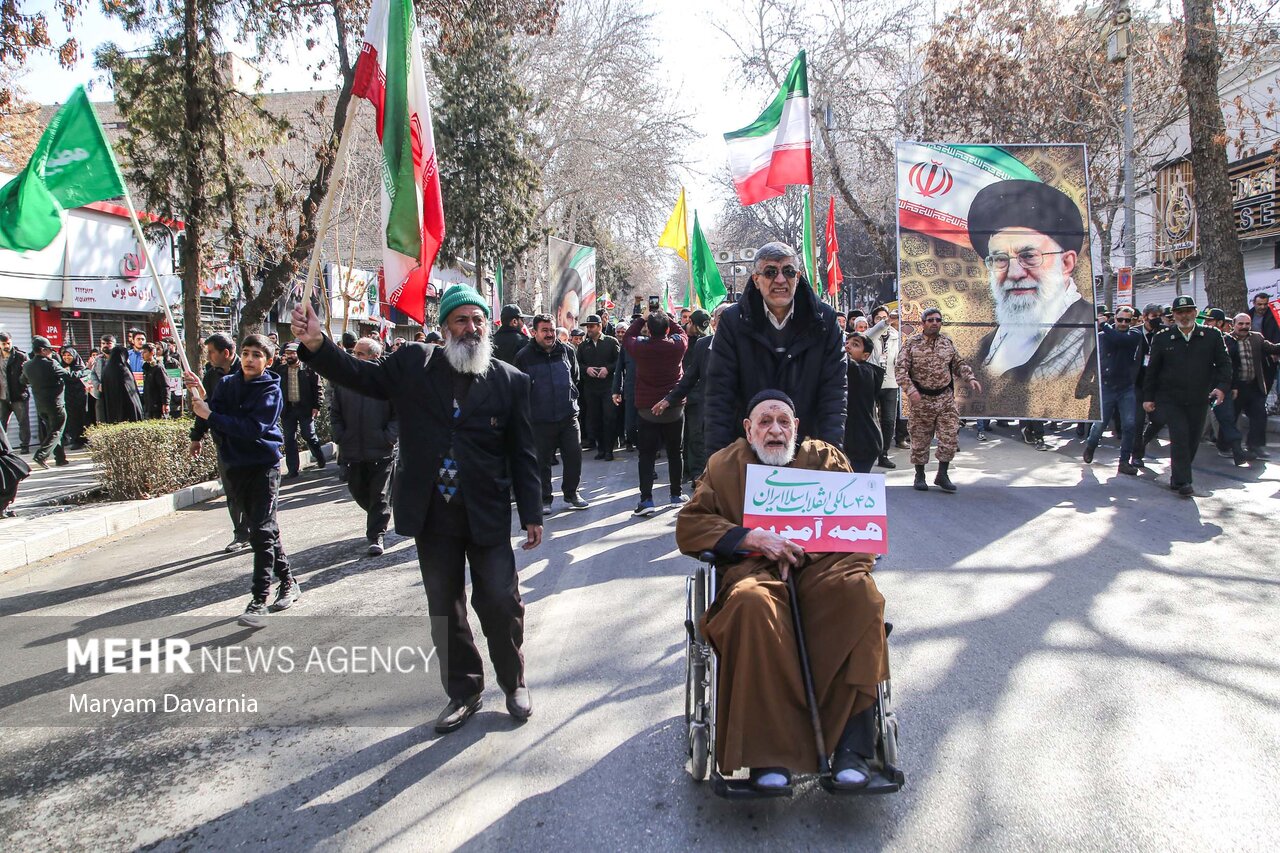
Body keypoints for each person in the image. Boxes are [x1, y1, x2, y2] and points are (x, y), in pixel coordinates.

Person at [292, 283, 542, 733]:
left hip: (484, 510)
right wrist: (317, 345)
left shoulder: (511, 380)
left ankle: (514, 682)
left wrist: (532, 513)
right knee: (445, 608)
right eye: (462, 320)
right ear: (443, 326)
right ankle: (463, 691)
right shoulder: (414, 364)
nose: (472, 328)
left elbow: (523, 452)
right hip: (433, 512)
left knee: (502, 601)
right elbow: (361, 377)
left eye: (478, 320)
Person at [675, 390, 889, 791]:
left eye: (783, 421)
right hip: (755, 568)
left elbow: (862, 523)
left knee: (858, 595)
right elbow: (691, 525)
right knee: (751, 604)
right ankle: (767, 756)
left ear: (796, 427)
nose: (775, 430)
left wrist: (835, 552)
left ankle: (851, 746)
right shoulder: (725, 466)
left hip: (823, 565)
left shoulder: (825, 459)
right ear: (748, 429)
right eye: (765, 422)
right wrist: (751, 537)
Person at [183, 335, 299, 627]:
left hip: (264, 466)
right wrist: (199, 398)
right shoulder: (226, 384)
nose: (249, 359)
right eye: (246, 353)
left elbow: (252, 429)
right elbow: (212, 412)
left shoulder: (271, 390)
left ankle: (258, 599)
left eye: (257, 354)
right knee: (266, 529)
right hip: (236, 465)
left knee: (260, 530)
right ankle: (289, 581)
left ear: (268, 361)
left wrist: (210, 413)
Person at [705, 241, 846, 455]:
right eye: (770, 272)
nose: (780, 280)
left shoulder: (824, 320)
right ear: (756, 279)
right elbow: (719, 394)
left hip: (807, 447)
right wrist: (719, 460)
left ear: (798, 277)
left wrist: (830, 452)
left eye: (788, 272)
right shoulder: (733, 322)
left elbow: (834, 392)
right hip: (749, 447)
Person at [967, 180, 1096, 389]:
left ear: (1066, 263)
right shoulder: (986, 345)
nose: (1015, 273)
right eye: (1000, 259)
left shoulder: (1087, 335)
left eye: (1028, 256)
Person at [1141, 296, 1232, 496]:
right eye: (1180, 312)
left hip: (1200, 398)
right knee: (1180, 438)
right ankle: (1184, 482)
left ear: (1195, 312)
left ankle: (1177, 476)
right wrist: (1148, 397)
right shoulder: (1163, 337)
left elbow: (1225, 364)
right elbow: (1152, 371)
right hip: (1171, 399)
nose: (1184, 316)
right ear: (1173, 315)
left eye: (1188, 311)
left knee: (1192, 440)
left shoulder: (1212, 335)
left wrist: (1222, 388)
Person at [895, 307, 982, 493]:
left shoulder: (946, 343)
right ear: (923, 323)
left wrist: (970, 378)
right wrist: (910, 391)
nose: (935, 323)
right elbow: (900, 370)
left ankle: (942, 474)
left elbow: (958, 363)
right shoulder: (911, 344)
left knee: (950, 436)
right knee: (919, 440)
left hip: (945, 399)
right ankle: (920, 475)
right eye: (931, 320)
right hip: (922, 400)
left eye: (938, 320)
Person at [330, 337, 399, 555]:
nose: (355, 357)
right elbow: (335, 412)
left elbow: (399, 414)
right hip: (352, 450)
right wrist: (340, 435)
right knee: (359, 491)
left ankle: (376, 534)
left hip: (381, 449)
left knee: (379, 495)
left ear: (375, 356)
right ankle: (378, 516)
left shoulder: (388, 382)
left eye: (361, 354)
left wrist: (388, 436)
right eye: (354, 353)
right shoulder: (345, 380)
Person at [515, 313, 588, 511]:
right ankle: (544, 499)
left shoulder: (567, 351)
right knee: (541, 462)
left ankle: (571, 493)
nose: (549, 334)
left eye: (552, 330)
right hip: (539, 419)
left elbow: (575, 377)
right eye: (544, 330)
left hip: (568, 416)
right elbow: (519, 390)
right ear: (534, 332)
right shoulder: (524, 356)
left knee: (574, 456)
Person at [190, 333, 250, 551]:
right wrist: (197, 437)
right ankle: (241, 534)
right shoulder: (211, 376)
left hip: (248, 442)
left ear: (226, 353)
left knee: (254, 490)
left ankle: (262, 530)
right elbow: (206, 408)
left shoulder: (248, 371)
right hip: (223, 442)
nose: (209, 357)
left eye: (211, 352)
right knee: (232, 490)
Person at [627, 308, 688, 515]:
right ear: (668, 328)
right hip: (674, 409)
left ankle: (646, 500)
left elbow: (629, 336)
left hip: (647, 410)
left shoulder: (641, 348)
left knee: (646, 456)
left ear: (649, 331)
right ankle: (676, 494)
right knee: (674, 453)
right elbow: (683, 332)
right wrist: (668, 317)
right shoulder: (678, 346)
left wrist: (642, 319)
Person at [1082, 306, 1141, 474]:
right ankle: (1091, 445)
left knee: (1129, 425)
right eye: (1120, 319)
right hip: (1106, 386)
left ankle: (1124, 461)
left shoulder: (1134, 335)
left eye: (1127, 320)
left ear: (1132, 321)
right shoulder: (1102, 336)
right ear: (1115, 318)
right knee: (1100, 425)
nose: (1123, 323)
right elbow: (1092, 357)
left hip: (1126, 387)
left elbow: (1120, 340)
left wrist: (1104, 325)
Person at [662, 307, 714, 483]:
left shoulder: (706, 342)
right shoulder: (679, 340)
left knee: (696, 436)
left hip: (698, 396)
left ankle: (696, 472)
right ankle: (682, 470)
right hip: (679, 393)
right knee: (679, 437)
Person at [1227, 312, 1280, 459]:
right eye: (1241, 324)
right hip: (1235, 387)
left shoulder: (1257, 338)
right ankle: (1225, 446)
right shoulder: (1226, 340)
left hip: (1254, 386)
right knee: (1230, 417)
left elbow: (1273, 348)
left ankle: (1256, 446)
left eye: (1247, 324)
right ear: (1233, 325)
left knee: (1259, 416)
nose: (1244, 327)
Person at [21, 336, 71, 468]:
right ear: (43, 350)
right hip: (56, 404)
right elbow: (68, 376)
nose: (52, 353)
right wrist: (83, 372)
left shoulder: (27, 365)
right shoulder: (51, 364)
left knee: (52, 431)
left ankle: (60, 458)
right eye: (49, 350)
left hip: (40, 405)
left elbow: (22, 381)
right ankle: (41, 455)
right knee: (57, 431)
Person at [278, 342, 326, 479]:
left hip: (305, 409)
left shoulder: (308, 369)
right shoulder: (281, 370)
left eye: (292, 353)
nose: (289, 356)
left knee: (309, 435)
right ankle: (293, 469)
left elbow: (318, 388)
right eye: (287, 354)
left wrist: (317, 406)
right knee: (289, 439)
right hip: (288, 410)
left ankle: (319, 457)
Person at [576, 313, 620, 459]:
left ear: (599, 326)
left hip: (608, 387)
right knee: (595, 418)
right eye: (588, 326)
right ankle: (601, 448)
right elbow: (578, 365)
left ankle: (609, 449)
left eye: (592, 326)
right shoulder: (583, 346)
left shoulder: (611, 342)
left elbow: (619, 362)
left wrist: (607, 369)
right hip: (591, 388)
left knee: (609, 417)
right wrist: (586, 369)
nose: (589, 329)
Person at [843, 332, 884, 473]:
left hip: (864, 443)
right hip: (846, 441)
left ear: (865, 356)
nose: (847, 346)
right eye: (846, 343)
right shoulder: (838, 370)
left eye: (855, 344)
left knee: (855, 486)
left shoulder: (866, 372)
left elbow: (849, 365)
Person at [866, 305, 901, 469]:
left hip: (890, 383)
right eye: (878, 318)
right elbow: (871, 335)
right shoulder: (869, 335)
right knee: (870, 419)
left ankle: (884, 453)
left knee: (888, 420)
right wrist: (885, 323)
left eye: (884, 317)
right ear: (873, 320)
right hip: (871, 382)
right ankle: (869, 450)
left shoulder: (896, 336)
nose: (882, 320)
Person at [0, 332, 31, 453]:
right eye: (4, 344)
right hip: (2, 396)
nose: (7, 346)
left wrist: (22, 382)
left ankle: (25, 446)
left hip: (18, 395)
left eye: (8, 343)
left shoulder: (20, 356)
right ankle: (3, 447)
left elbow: (28, 374)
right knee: (2, 424)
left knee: (23, 422)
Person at [99, 345, 144, 425]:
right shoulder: (123, 368)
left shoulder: (106, 368)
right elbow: (130, 387)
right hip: (127, 406)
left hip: (111, 407)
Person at [58, 346, 90, 448]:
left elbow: (84, 374)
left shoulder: (80, 368)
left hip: (80, 396)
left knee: (82, 418)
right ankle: (74, 439)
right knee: (71, 419)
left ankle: (84, 439)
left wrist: (71, 374)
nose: (66, 358)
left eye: (69, 355)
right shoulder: (60, 367)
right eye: (64, 355)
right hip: (67, 397)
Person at [85, 335, 116, 423]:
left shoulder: (119, 359)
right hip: (100, 394)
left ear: (114, 345)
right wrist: (97, 385)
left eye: (109, 343)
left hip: (114, 394)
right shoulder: (98, 359)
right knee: (101, 420)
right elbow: (93, 374)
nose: (105, 345)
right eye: (103, 343)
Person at [140, 343, 170, 419]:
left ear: (152, 352)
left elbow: (165, 386)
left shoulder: (158, 368)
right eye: (142, 352)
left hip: (157, 406)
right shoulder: (146, 368)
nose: (142, 354)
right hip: (148, 406)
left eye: (145, 352)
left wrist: (166, 403)